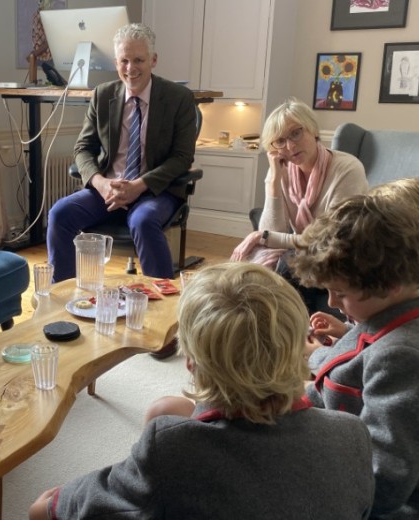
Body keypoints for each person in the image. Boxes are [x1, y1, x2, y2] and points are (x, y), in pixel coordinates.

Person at [29, 263, 375, 520]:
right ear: (302, 348)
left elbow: (46, 509)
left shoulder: (173, 447)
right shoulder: (352, 434)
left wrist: (48, 504)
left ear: (191, 362)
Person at [289, 193, 419, 518]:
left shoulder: (406, 357)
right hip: (364, 451)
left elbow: (383, 480)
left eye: (340, 293)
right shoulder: (414, 306)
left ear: (391, 284)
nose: (332, 302)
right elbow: (350, 364)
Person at [46, 23, 197, 281]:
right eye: (124, 60)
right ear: (116, 62)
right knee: (59, 214)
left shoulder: (178, 98)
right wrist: (101, 183)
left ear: (153, 60)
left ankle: (163, 300)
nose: (130, 68)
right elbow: (83, 148)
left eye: (138, 60)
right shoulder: (103, 96)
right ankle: (63, 295)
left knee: (143, 221)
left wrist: (139, 185)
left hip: (154, 190)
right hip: (109, 190)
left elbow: (182, 158)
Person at [311, 177, 419, 388]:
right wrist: (348, 332)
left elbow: (398, 353)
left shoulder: (415, 283)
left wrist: (318, 355)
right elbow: (393, 331)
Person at [230, 98, 367, 314]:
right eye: (280, 141)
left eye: (296, 133)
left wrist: (261, 236)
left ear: (312, 129)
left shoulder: (348, 169)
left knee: (289, 262)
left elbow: (331, 239)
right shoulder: (282, 171)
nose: (290, 146)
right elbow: (273, 233)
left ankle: (288, 330)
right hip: (304, 249)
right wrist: (274, 181)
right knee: (249, 272)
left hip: (344, 253)